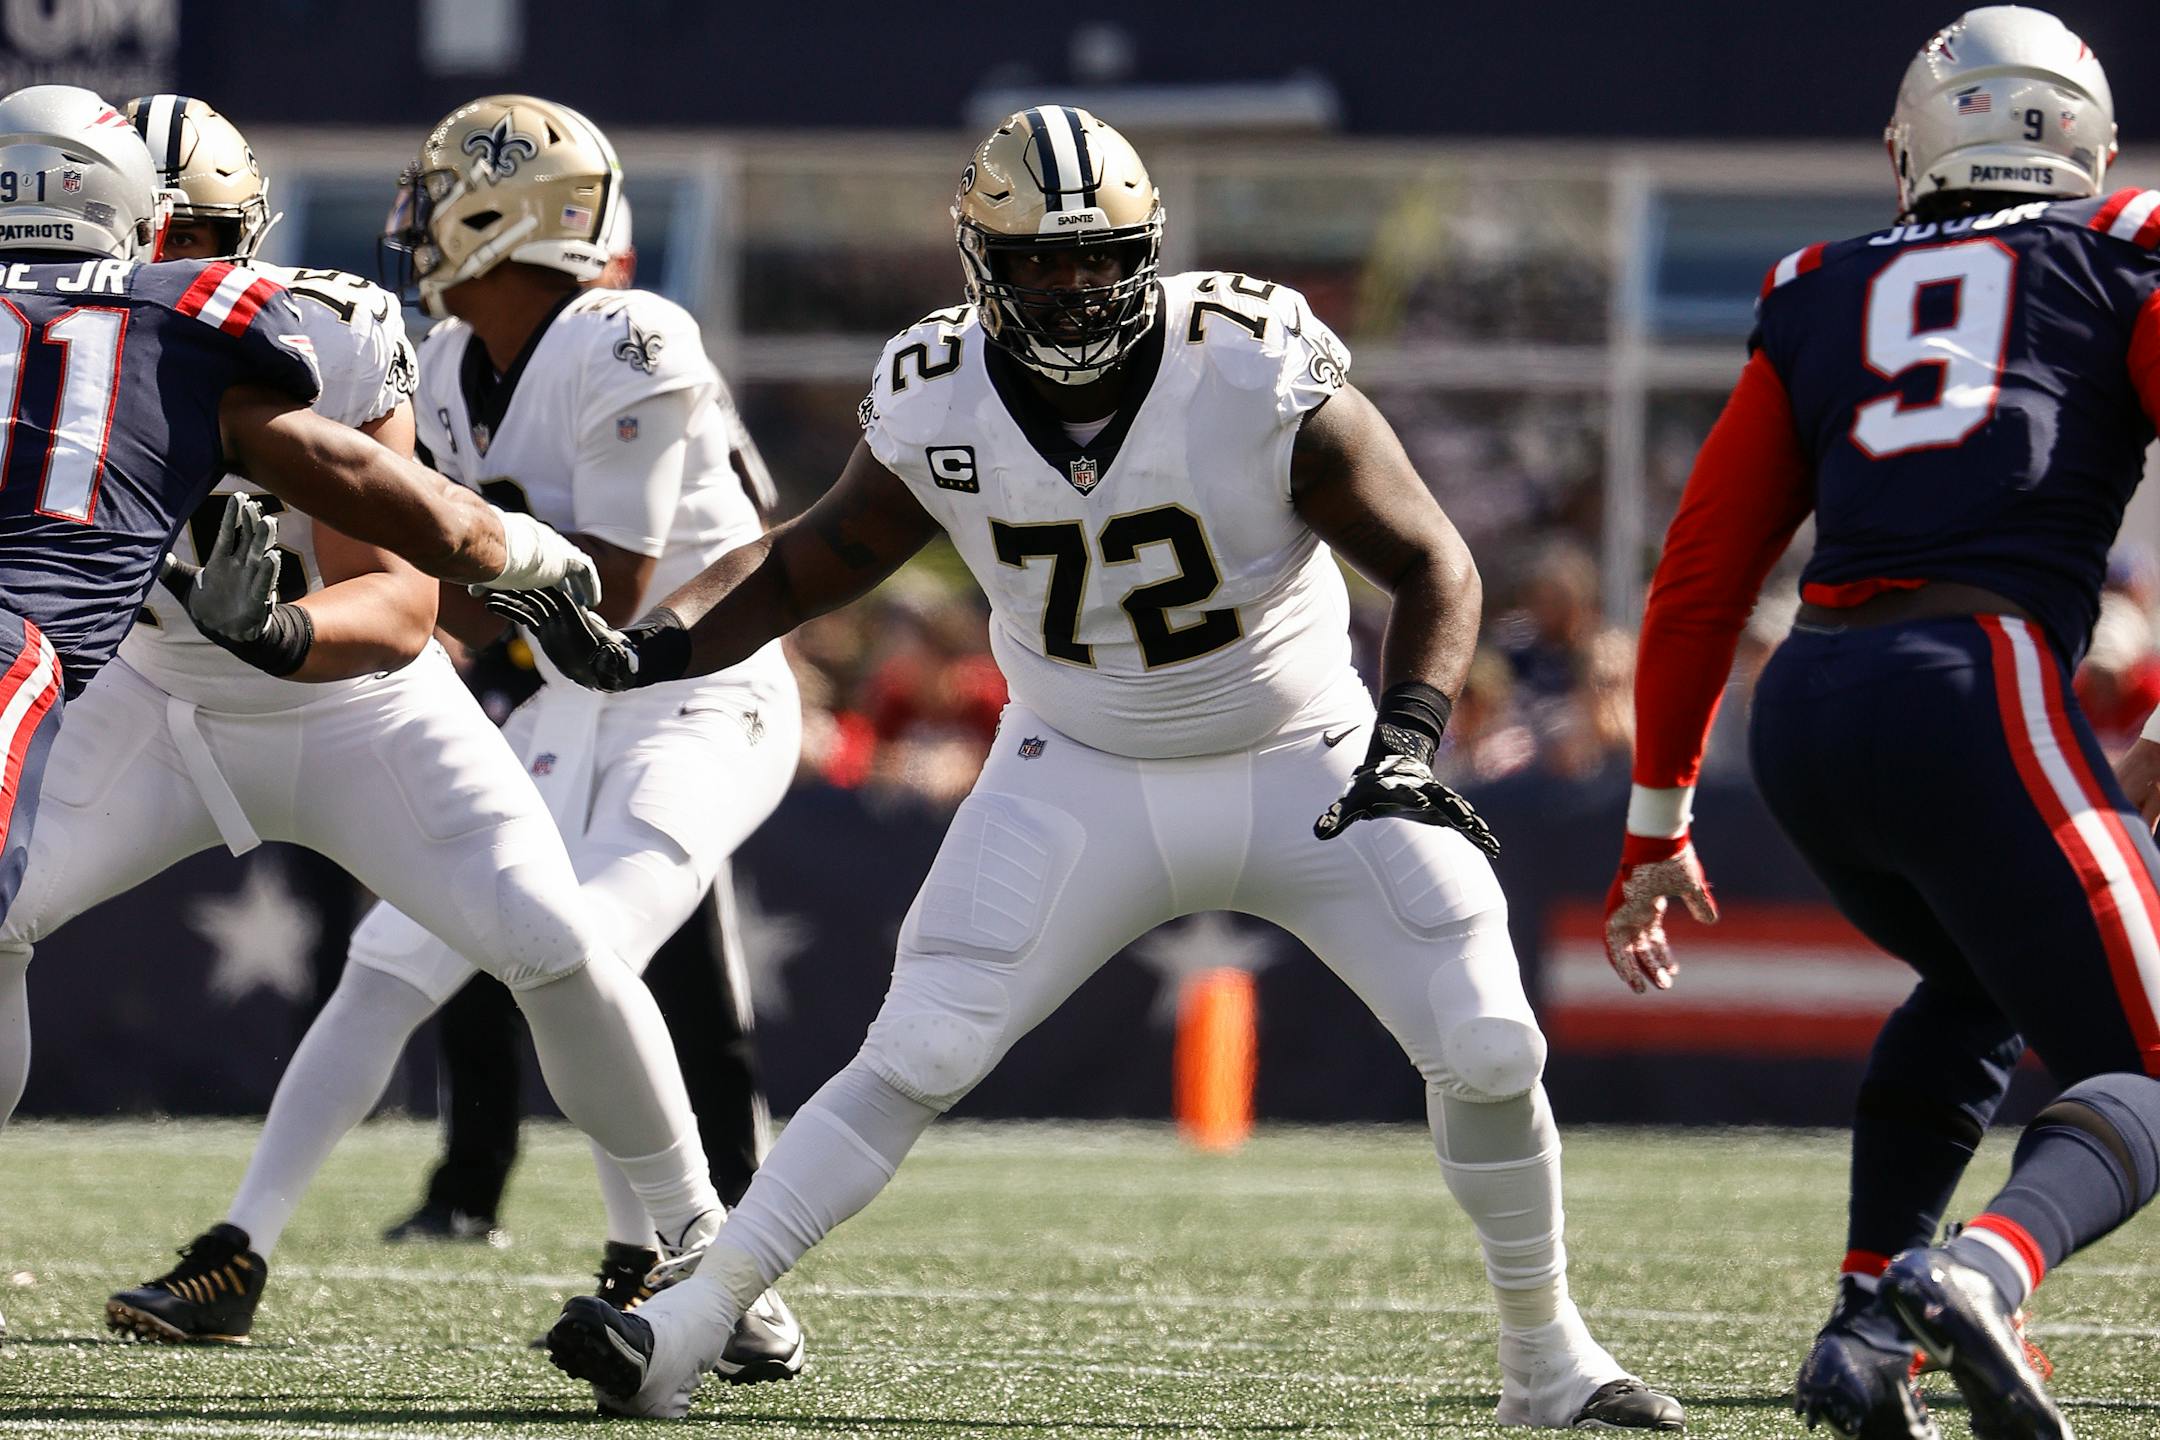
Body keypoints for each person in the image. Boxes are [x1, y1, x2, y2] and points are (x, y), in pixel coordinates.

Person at [506, 105, 1684, 1430]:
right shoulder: (936, 388)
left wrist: (1409, 739)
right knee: (919, 1046)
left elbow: (1433, 561)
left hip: (1307, 757)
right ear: (982, 260)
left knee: (1487, 1039)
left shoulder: (1248, 359)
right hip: (1081, 764)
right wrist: (652, 647)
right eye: (1042, 260)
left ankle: (1550, 1360)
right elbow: (811, 558)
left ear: (1149, 250)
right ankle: (690, 1326)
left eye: (1102, 257)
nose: (1076, 286)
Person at [0, 86, 729, 1354]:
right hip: (155, 698)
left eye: (211, 246)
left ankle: (709, 1252)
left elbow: (395, 606)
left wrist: (280, 631)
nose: (189, 279)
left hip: (359, 711)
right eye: (169, 247)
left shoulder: (322, 327)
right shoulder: (54, 325)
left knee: (552, 942)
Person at [1604, 10, 2157, 1438]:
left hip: (1812, 703)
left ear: (1919, 140)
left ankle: (1865, 1335)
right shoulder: (2122, 257)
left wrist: (1656, 819)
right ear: (2081, 145)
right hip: (1975, 675)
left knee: (1980, 980)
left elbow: (1702, 572)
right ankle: (1984, 1266)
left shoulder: (1824, 284)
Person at [384, 194, 783, 1248]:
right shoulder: (447, 359)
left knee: (660, 949)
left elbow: (622, 574)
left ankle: (713, 1211)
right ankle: (477, 1181)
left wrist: (431, 579)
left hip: (672, 678)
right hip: (538, 679)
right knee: (483, 925)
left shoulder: (625, 336)